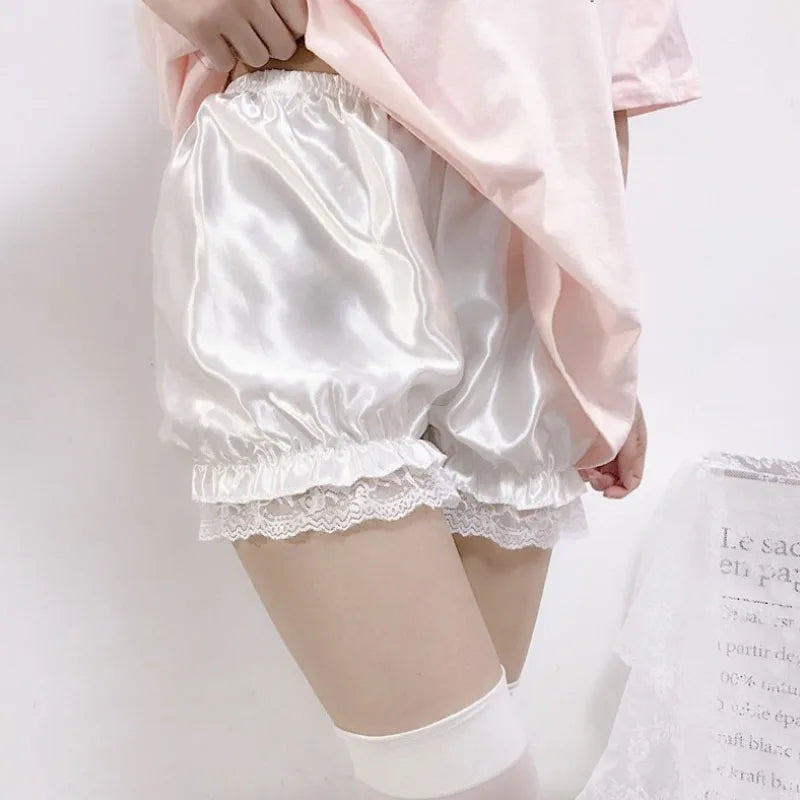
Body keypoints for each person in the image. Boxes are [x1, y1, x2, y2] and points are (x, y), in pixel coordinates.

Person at [138, 1, 699, 797]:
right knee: (471, 780)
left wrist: (596, 344)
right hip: (320, 153)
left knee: (444, 764)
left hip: (523, 258)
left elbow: (606, 81)